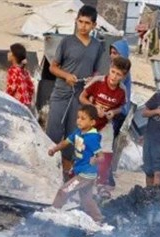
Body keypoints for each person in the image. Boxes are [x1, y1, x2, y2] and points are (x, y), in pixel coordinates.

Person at [46, 5, 108, 174]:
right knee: (53, 131)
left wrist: (92, 79)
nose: (83, 26)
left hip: (80, 98)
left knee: (74, 135)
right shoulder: (66, 42)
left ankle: (67, 173)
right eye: (80, 22)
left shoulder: (97, 46)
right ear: (76, 21)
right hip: (61, 93)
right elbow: (53, 67)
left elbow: (100, 73)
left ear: (94, 25)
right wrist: (66, 75)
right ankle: (48, 169)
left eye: (87, 23)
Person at [80, 55, 130, 190]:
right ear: (110, 69)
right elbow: (82, 97)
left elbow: (121, 107)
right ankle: (81, 182)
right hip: (90, 123)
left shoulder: (122, 90)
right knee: (86, 152)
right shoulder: (98, 82)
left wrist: (112, 113)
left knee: (106, 153)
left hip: (106, 124)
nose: (114, 77)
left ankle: (101, 183)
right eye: (113, 72)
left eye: (118, 74)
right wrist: (94, 107)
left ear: (123, 77)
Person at [47, 104, 103, 221]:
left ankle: (52, 213)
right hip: (82, 172)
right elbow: (65, 142)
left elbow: (101, 157)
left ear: (92, 122)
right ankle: (98, 219)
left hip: (86, 174)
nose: (79, 120)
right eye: (78, 117)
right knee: (86, 199)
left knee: (64, 191)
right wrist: (54, 149)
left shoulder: (92, 138)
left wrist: (95, 160)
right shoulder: (78, 132)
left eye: (83, 118)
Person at [109, 39, 132, 139]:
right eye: (111, 53)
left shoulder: (123, 73)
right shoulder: (114, 68)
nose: (112, 56)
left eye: (115, 53)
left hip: (117, 112)